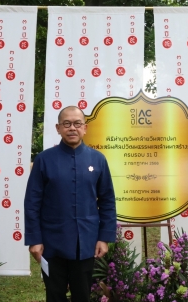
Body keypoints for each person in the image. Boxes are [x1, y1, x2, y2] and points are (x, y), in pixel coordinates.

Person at [24, 106, 116, 302]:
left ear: (85, 128)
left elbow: (107, 201)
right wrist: (34, 240)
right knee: (55, 295)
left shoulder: (98, 160)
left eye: (77, 123)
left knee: (82, 295)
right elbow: (32, 203)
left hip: (86, 242)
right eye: (66, 124)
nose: (72, 128)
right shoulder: (44, 160)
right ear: (58, 128)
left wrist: (104, 237)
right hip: (51, 243)